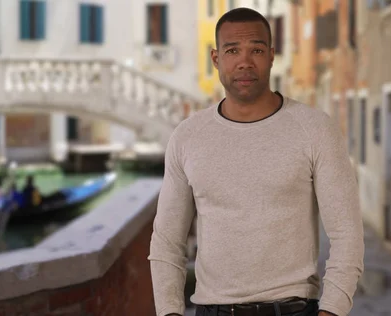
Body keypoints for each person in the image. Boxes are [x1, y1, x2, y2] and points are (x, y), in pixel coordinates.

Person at [148, 8, 364, 316]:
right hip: (213, 310)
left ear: (272, 56)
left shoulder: (315, 129)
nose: (245, 62)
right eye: (233, 50)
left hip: (293, 310)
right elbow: (167, 240)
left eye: (257, 50)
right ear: (216, 59)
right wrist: (169, 311)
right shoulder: (187, 137)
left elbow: (346, 233)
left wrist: (332, 311)